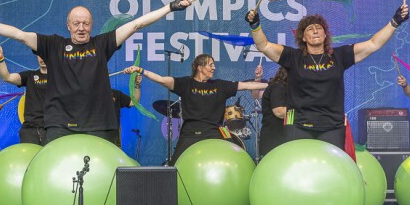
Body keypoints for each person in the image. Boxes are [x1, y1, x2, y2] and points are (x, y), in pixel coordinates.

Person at [0, 0, 191, 143]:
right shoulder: (53, 45)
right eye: (76, 23)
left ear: (92, 25)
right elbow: (19, 35)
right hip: (61, 126)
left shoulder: (102, 44)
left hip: (100, 125)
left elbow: (136, 25)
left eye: (85, 23)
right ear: (68, 25)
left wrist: (170, 7)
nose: (81, 28)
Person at [245, 4, 409, 151]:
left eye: (319, 28)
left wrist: (395, 21)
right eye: (309, 29)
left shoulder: (339, 56)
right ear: (303, 37)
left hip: (332, 126)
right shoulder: (293, 57)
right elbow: (263, 45)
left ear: (325, 35)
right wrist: (255, 25)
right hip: (299, 125)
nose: (315, 30)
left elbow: (374, 44)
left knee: (330, 173)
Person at [124, 54, 267, 164]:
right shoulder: (185, 83)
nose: (214, 68)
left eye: (214, 65)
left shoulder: (220, 85)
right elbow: (161, 79)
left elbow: (247, 86)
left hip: (214, 132)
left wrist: (269, 84)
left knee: (231, 157)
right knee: (176, 166)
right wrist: (140, 70)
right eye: (210, 65)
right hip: (190, 133)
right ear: (200, 67)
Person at [0, 42, 48, 145]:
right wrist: (0, 58)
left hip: (53, 129)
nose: (42, 58)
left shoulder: (61, 76)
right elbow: (6, 77)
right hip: (30, 129)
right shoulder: (30, 76)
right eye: (40, 55)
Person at [259, 66, 290, 158]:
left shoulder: (286, 88)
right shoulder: (278, 87)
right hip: (274, 139)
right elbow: (279, 112)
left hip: (282, 137)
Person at [111, 72, 142, 148]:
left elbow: (134, 102)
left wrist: (137, 85)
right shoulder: (91, 94)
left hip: (114, 138)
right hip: (95, 137)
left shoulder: (116, 94)